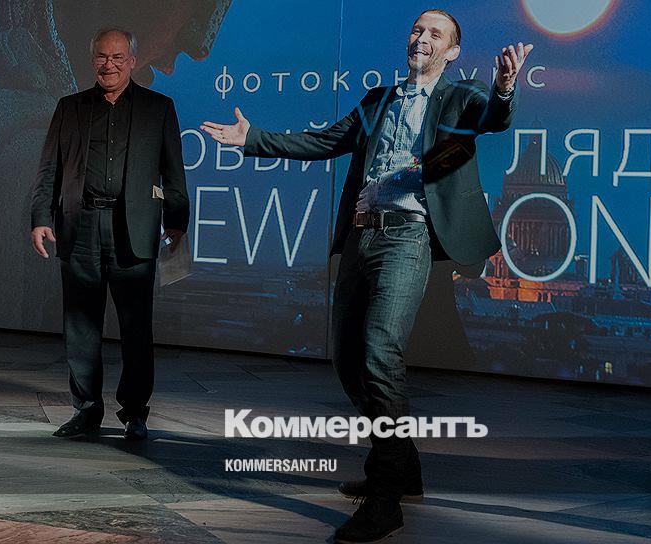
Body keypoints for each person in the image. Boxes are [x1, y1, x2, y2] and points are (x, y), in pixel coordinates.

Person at [201, 9, 532, 543]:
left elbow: (493, 117)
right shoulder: (378, 100)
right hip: (361, 236)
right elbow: (324, 142)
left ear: (451, 52)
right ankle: (403, 465)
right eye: (418, 30)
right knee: (347, 359)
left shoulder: (460, 97)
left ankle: (385, 499)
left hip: (408, 238)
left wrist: (505, 87)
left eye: (436, 34)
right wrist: (252, 138)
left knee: (380, 352)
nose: (422, 38)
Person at [30, 27, 189, 441]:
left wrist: (177, 222)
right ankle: (86, 410)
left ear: (132, 61)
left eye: (118, 57)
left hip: (132, 230)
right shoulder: (69, 107)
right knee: (81, 327)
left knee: (136, 328)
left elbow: (173, 171)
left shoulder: (159, 108)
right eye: (102, 56)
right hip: (79, 226)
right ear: (92, 60)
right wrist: (40, 217)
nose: (109, 65)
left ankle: (135, 412)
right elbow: (49, 168)